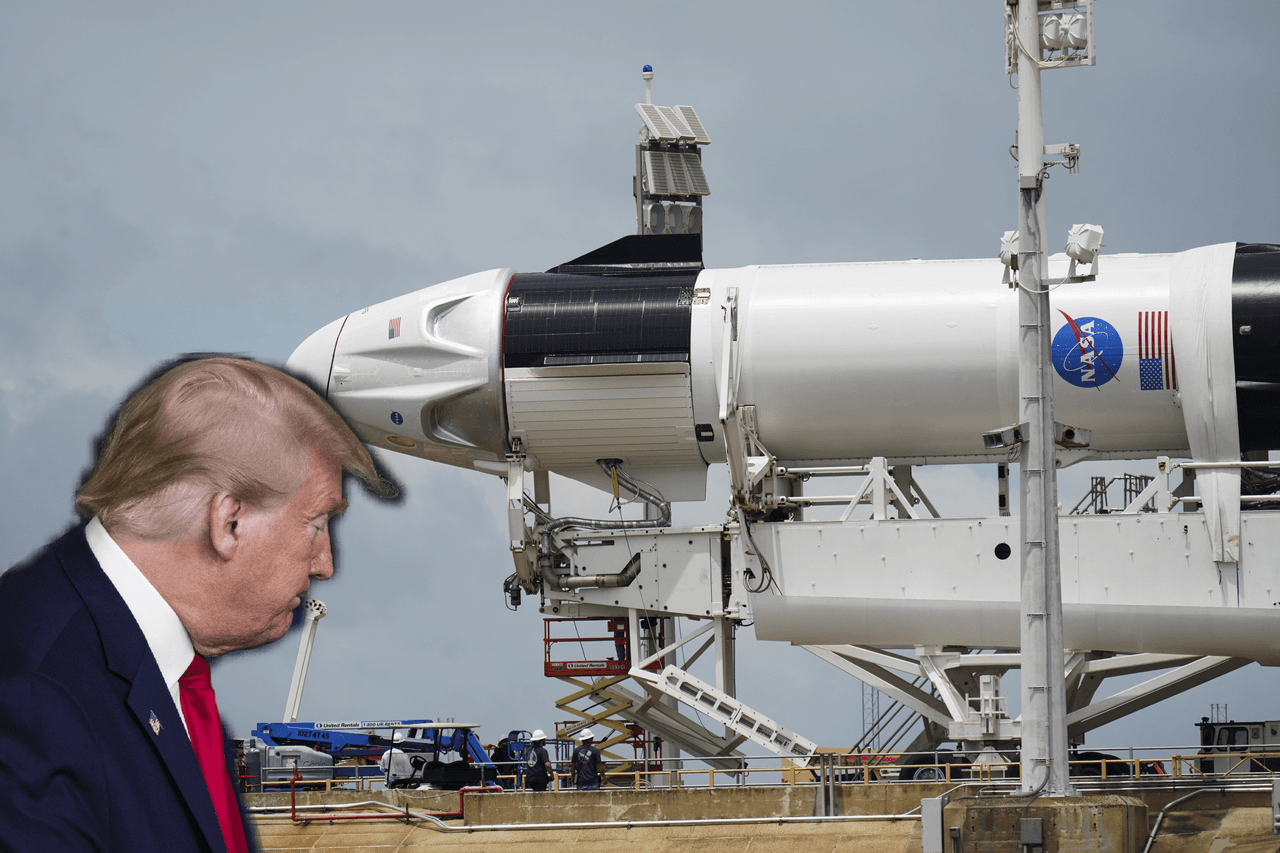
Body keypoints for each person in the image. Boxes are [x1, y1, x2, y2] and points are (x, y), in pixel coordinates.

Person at [0, 357, 392, 852]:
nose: (325, 563)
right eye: (316, 524)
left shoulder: (137, 669)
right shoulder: (33, 693)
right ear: (229, 522)